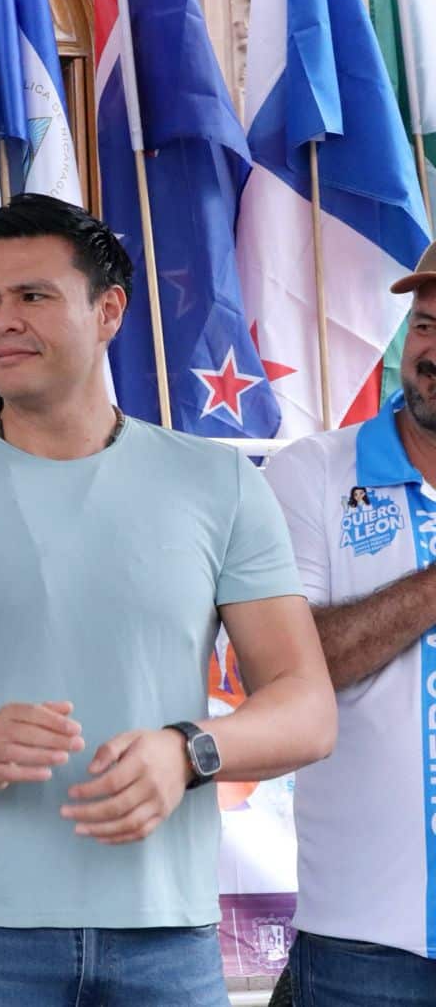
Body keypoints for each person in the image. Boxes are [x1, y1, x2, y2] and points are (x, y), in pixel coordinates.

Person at [0, 194, 336, 1007]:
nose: (1, 322)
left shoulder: (219, 482)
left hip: (167, 940)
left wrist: (188, 751)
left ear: (109, 310)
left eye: (33, 296)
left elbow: (306, 707)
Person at [262, 240, 436, 1005]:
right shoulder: (313, 472)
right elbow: (295, 665)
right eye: (427, 325)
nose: (432, 350)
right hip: (366, 943)